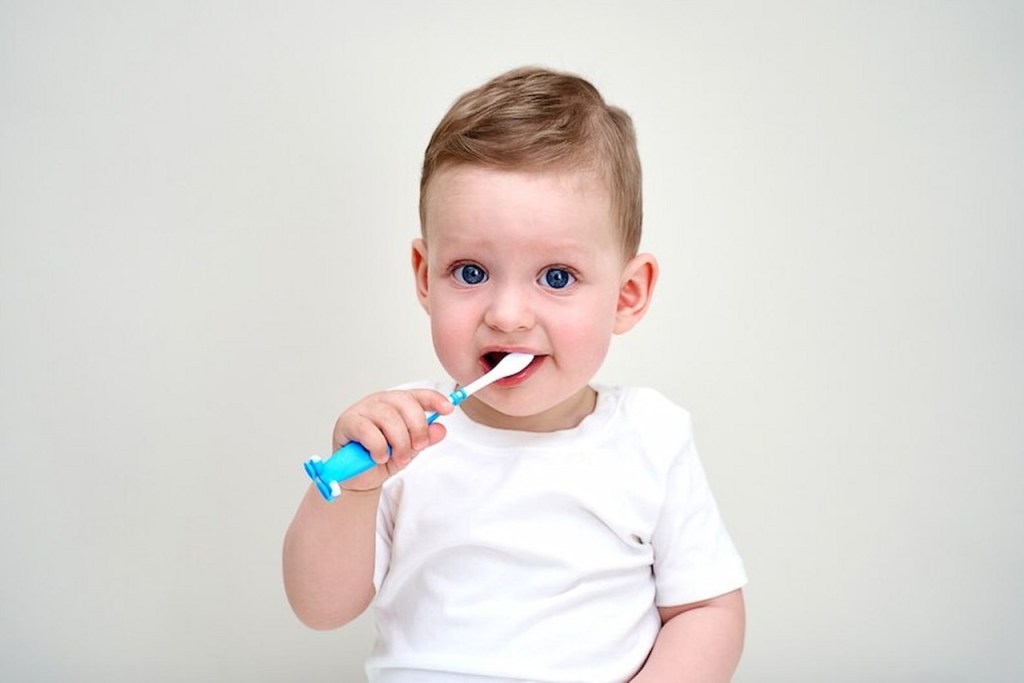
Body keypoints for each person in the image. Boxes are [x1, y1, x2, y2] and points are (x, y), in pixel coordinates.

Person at [284, 66, 747, 682]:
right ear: (426, 276)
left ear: (627, 295)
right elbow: (319, 608)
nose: (506, 315)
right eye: (471, 272)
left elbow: (707, 609)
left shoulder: (651, 437)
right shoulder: (397, 437)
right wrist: (354, 490)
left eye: (557, 277)